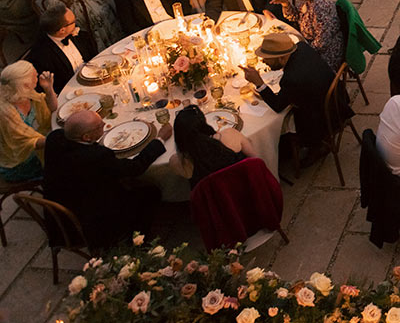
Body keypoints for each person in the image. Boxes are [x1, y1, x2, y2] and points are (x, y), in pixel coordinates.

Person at [43, 110, 168, 247]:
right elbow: (134, 168)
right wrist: (159, 140)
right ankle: (137, 241)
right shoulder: (96, 156)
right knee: (151, 192)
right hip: (86, 222)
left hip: (58, 211)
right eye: (99, 126)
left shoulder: (54, 137)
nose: (104, 123)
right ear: (86, 137)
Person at [243, 33, 352, 149]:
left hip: (325, 116)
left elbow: (277, 105)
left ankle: (314, 149)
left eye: (267, 58)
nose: (263, 61)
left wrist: (259, 83)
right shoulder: (302, 47)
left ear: (281, 58)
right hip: (338, 97)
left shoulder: (291, 79)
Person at [168, 104, 255, 187]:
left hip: (215, 196)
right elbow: (255, 160)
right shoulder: (230, 135)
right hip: (246, 186)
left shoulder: (176, 162)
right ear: (204, 124)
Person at [0, 61, 57, 183]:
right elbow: (28, 143)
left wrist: (49, 89)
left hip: (38, 146)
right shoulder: (5, 112)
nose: (38, 75)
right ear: (25, 85)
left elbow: (53, 108)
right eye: (34, 75)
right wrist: (60, 138)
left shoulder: (26, 94)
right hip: (20, 162)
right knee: (66, 165)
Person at [275, 0, 344, 69]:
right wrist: (285, 3)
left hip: (325, 55)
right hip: (309, 43)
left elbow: (322, 42)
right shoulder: (309, 0)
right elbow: (296, 16)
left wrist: (299, 52)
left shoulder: (320, 8)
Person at [25, 3, 96, 93]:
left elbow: (93, 56)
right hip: (72, 90)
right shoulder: (41, 55)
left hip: (92, 76)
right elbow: (53, 87)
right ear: (62, 30)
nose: (76, 22)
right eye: (73, 21)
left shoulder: (80, 35)